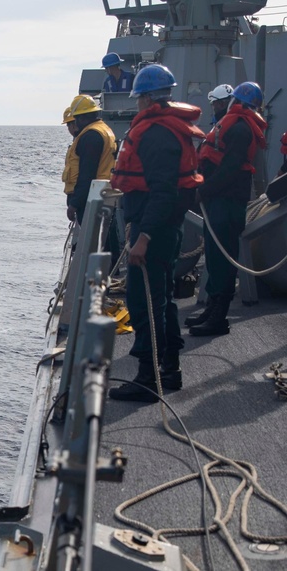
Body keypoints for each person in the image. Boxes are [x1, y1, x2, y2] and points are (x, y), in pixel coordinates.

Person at [108, 64, 204, 402]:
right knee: (162, 301)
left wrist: (144, 237)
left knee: (143, 302)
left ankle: (148, 379)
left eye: (138, 99)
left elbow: (163, 191)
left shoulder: (155, 134)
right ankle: (170, 369)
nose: (136, 105)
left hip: (154, 231)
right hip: (165, 227)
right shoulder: (170, 130)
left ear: (148, 99)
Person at [187, 81, 268, 336]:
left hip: (226, 201)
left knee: (222, 258)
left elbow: (231, 169)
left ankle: (219, 318)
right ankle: (212, 308)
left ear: (236, 102)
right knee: (213, 254)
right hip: (218, 200)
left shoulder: (241, 129)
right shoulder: (235, 125)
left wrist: (205, 189)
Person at [62, 95, 117, 225]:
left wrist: (75, 203)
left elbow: (87, 173)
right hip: (104, 192)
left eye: (76, 118)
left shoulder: (90, 136)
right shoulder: (104, 130)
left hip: (93, 197)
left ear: (82, 117)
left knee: (93, 238)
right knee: (103, 236)